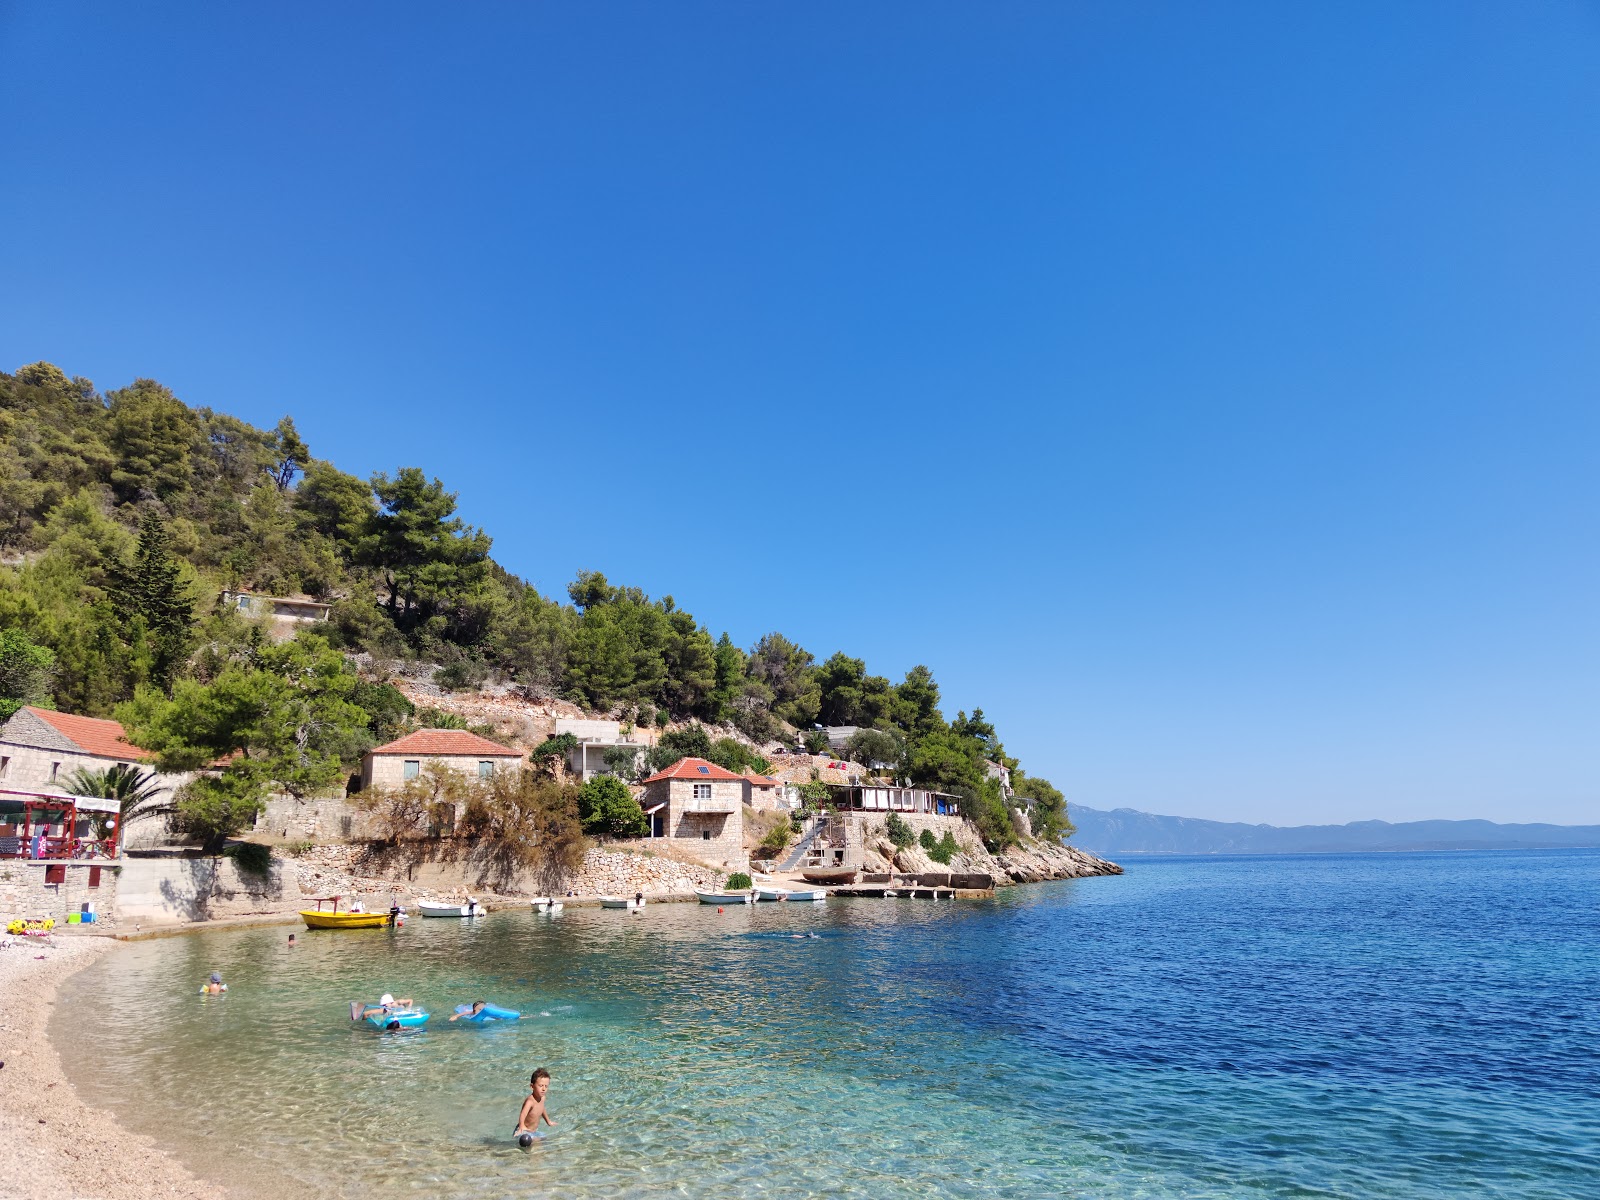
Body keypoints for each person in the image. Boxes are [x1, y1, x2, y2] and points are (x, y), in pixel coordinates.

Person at [514, 1068, 555, 1145]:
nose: (543, 1089)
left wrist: (548, 1121)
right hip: (524, 1131)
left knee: (544, 1138)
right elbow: (523, 1114)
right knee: (526, 1140)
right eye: (541, 1086)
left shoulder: (542, 1098)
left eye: (546, 1086)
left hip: (533, 1131)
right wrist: (522, 1126)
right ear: (532, 1086)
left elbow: (542, 1109)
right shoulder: (530, 1101)